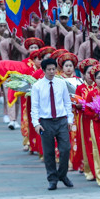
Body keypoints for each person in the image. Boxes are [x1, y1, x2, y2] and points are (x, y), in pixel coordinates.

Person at [31, 57, 74, 191]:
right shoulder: (37, 86)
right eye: (48, 69)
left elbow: (67, 102)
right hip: (46, 122)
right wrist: (36, 124)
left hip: (61, 120)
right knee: (48, 153)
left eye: (53, 69)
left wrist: (70, 119)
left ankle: (62, 174)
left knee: (65, 148)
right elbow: (35, 107)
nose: (51, 72)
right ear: (43, 70)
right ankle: (52, 179)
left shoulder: (61, 84)